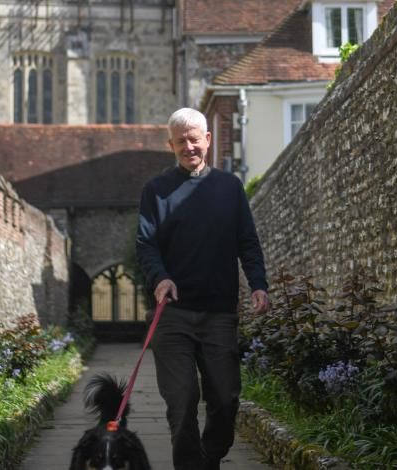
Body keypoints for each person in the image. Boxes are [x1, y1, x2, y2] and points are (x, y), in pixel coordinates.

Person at [136, 107, 269, 470]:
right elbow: (146, 244)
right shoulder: (156, 190)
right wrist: (159, 277)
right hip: (173, 316)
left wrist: (258, 284)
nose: (189, 146)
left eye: (195, 139)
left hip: (219, 313)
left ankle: (210, 457)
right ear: (171, 145)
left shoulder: (229, 188)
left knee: (225, 399)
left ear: (208, 140)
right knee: (182, 403)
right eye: (181, 141)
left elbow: (247, 242)